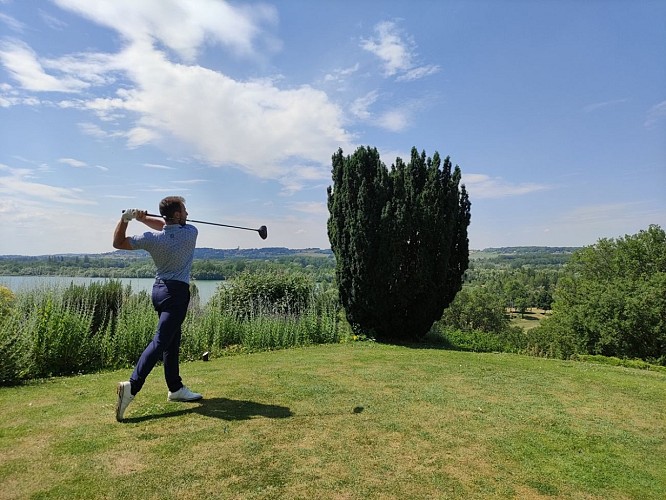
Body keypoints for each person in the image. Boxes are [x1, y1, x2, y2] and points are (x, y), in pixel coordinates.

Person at [113, 196, 202, 422]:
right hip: (176, 294)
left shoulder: (152, 239)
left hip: (159, 291)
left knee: (172, 339)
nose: (188, 214)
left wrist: (127, 219)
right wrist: (144, 218)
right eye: (184, 210)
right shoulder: (190, 232)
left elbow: (118, 243)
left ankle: (175, 388)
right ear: (178, 215)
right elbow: (168, 226)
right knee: (161, 341)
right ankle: (131, 387)